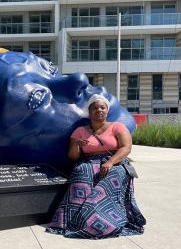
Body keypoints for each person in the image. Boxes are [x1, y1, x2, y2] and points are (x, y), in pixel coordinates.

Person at [0, 49, 136, 173]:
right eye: (39, 99)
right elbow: (73, 155)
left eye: (49, 68)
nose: (79, 79)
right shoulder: (80, 133)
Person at [46, 94, 146, 239]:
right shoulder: (80, 131)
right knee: (81, 171)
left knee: (110, 175)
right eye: (95, 108)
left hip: (114, 161)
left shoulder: (118, 127)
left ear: (107, 110)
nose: (99, 110)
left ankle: (106, 220)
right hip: (88, 162)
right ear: (89, 111)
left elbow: (126, 148)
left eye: (102, 107)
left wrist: (110, 162)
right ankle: (79, 219)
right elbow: (73, 157)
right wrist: (77, 145)